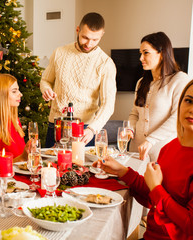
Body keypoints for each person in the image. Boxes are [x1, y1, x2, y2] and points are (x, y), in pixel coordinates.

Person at [94, 79, 193, 240]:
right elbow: (154, 198)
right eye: (189, 101)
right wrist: (122, 171)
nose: (191, 109)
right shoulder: (170, 148)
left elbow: (189, 225)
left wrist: (156, 188)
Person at [40, 12, 117, 147]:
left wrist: (92, 129)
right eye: (85, 37)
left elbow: (108, 104)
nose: (89, 43)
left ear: (102, 35)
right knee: (50, 167)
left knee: (82, 168)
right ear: (77, 30)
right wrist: (46, 89)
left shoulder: (106, 63)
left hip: (85, 129)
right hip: (56, 125)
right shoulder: (60, 52)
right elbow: (46, 80)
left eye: (95, 39)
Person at [128, 32, 190, 161]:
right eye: (140, 53)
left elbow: (177, 117)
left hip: (162, 152)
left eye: (146, 53)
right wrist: (130, 129)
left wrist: (151, 140)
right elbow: (135, 114)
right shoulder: (141, 82)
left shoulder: (180, 80)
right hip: (135, 150)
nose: (141, 58)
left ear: (161, 53)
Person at [0, 73, 28, 162]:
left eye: (18, 90)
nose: (20, 94)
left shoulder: (14, 120)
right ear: (1, 95)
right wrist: (23, 158)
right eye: (14, 91)